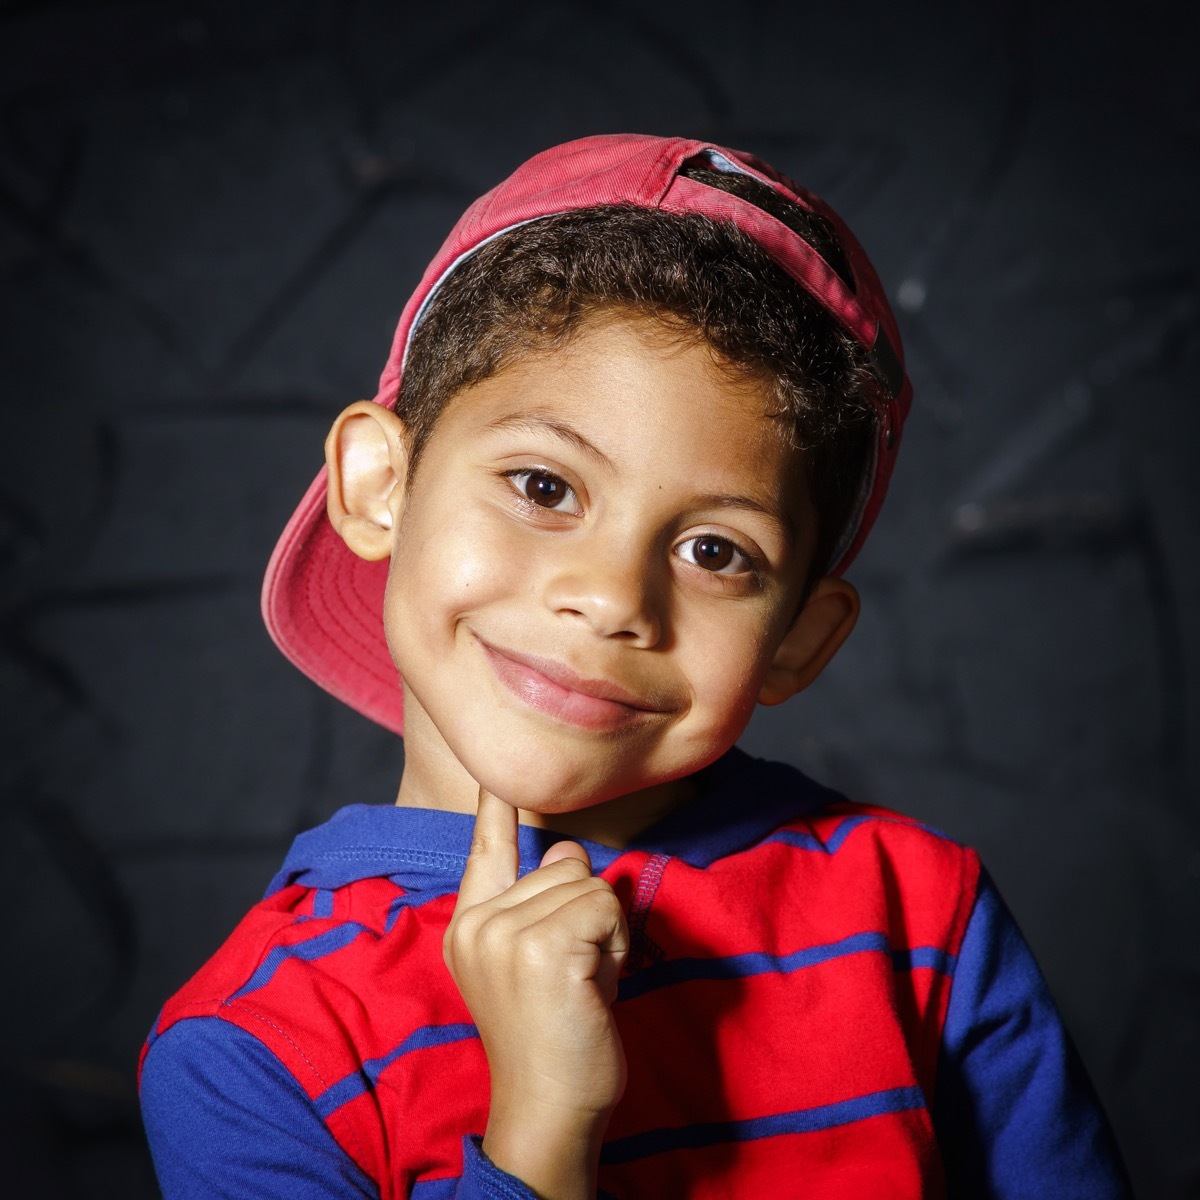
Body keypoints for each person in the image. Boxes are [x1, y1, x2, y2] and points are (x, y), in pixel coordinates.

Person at [138, 134, 1131, 1199]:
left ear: (797, 637)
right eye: (543, 486)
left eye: (715, 552)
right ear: (382, 484)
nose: (612, 598)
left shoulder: (921, 916)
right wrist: (541, 1130)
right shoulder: (254, 1052)